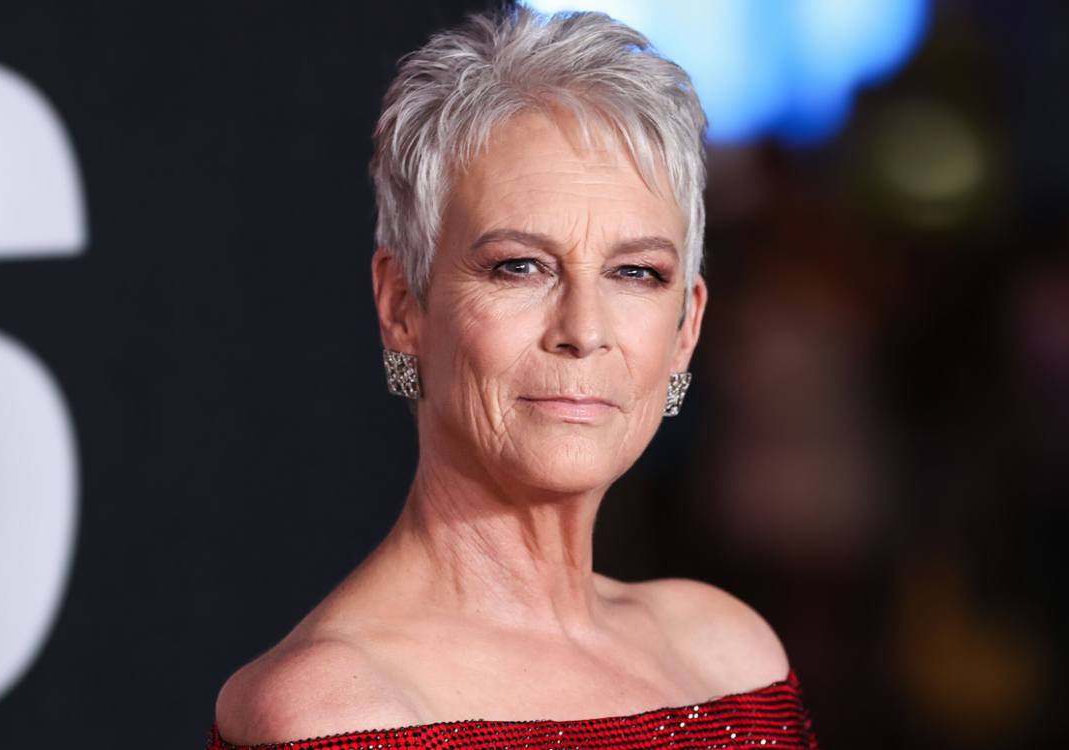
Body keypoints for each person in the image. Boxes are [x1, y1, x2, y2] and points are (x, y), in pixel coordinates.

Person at [210, 6, 817, 749]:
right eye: (520, 267)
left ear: (685, 328)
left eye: (636, 272)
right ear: (402, 305)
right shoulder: (335, 710)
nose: (583, 330)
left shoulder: (732, 657)